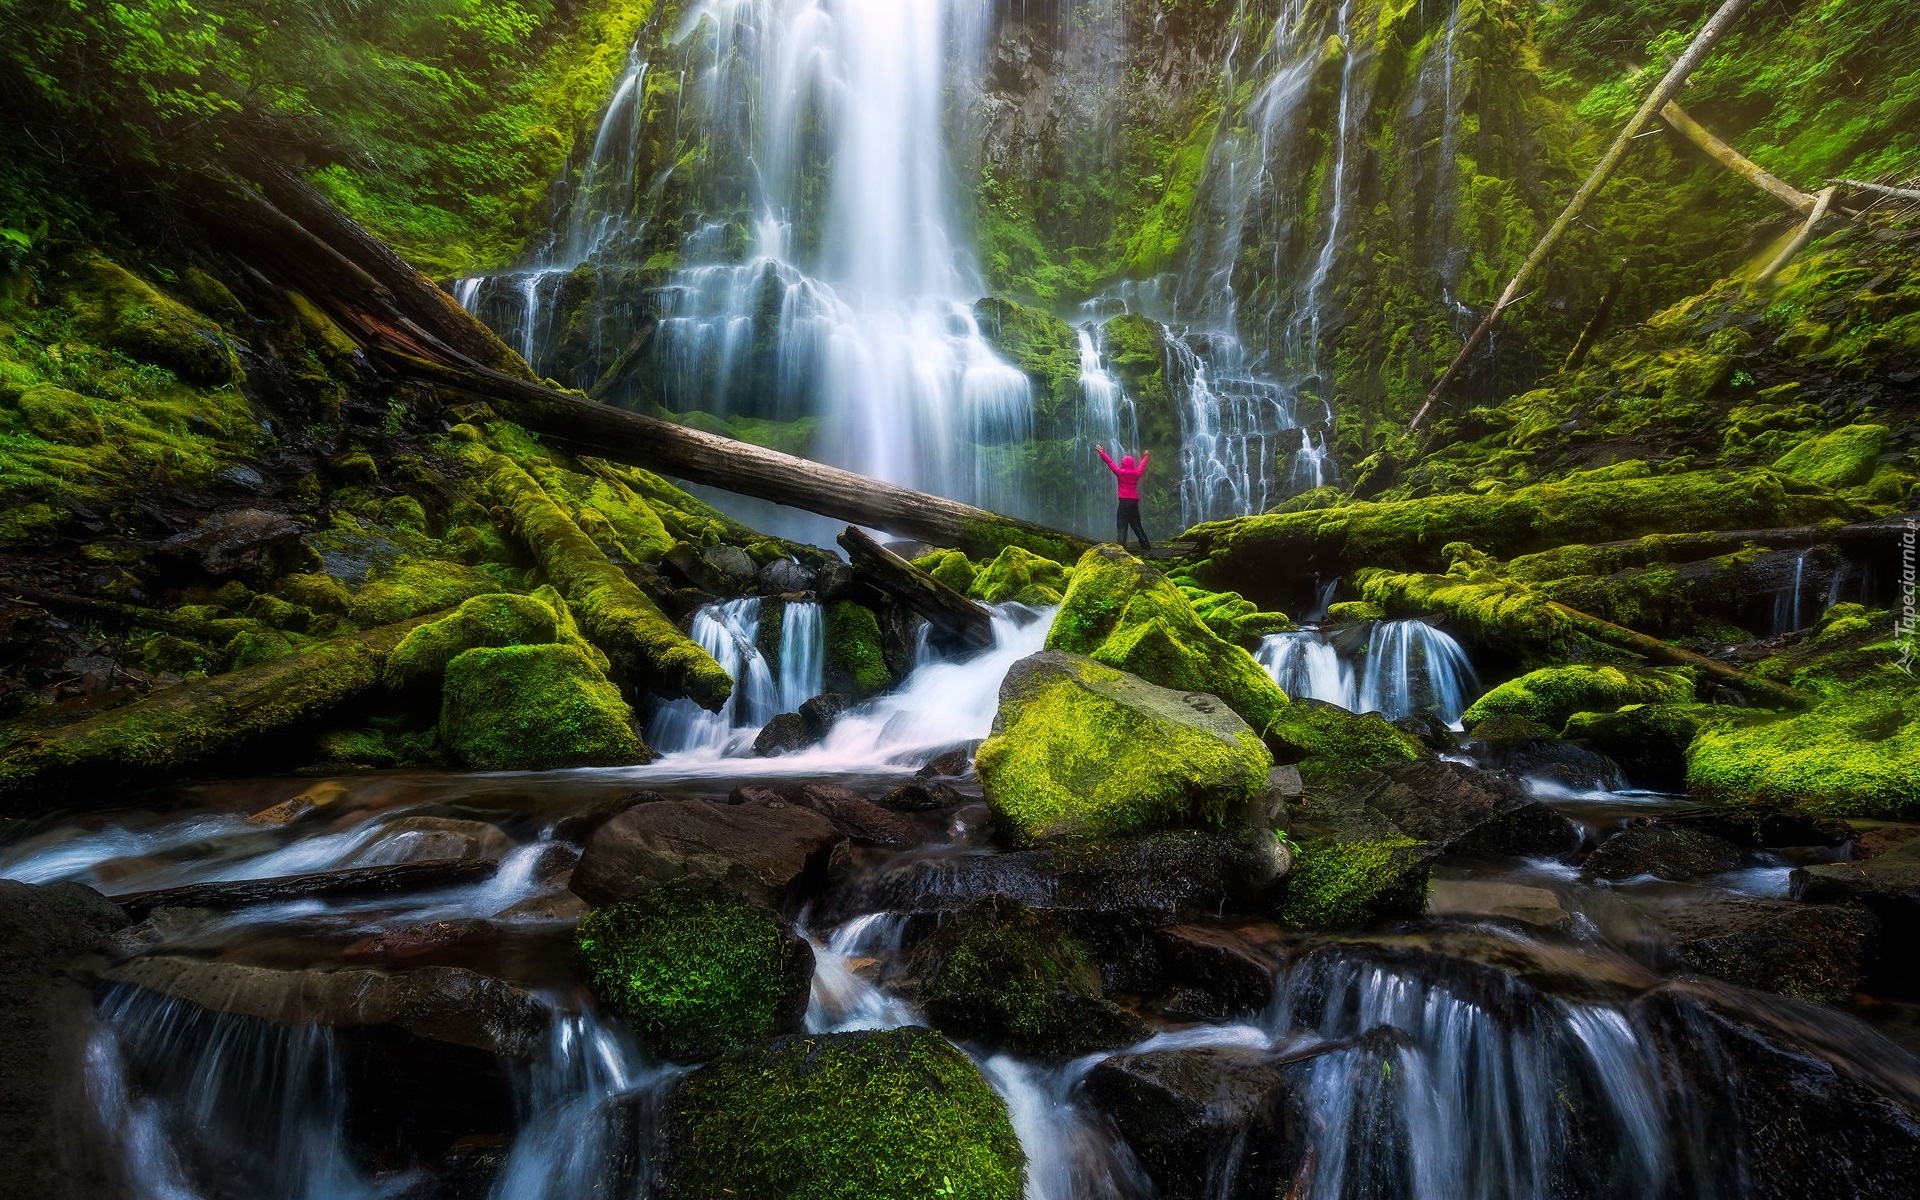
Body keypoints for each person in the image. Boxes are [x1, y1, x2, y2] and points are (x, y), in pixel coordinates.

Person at [1096, 445, 1151, 551]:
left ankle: (1121, 547)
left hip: (1124, 502)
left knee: (1122, 524)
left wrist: (1101, 451)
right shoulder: (1136, 473)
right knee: (1136, 523)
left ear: (1123, 464)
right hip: (1134, 502)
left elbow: (1110, 462)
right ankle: (1145, 545)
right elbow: (1142, 465)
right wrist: (1146, 456)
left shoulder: (1120, 473)